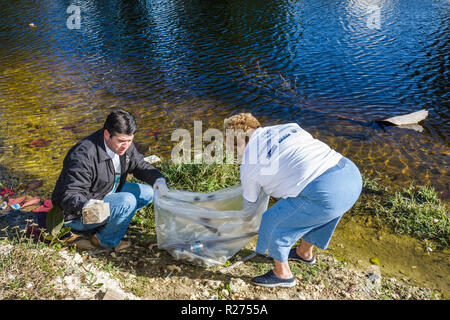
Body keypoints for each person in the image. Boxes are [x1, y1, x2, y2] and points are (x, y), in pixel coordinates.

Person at [224, 113, 362, 288]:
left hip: (327, 192)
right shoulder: (287, 127)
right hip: (350, 175)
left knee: (272, 220)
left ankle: (282, 274)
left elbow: (249, 205)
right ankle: (304, 253)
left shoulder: (248, 167)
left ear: (239, 142)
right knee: (313, 211)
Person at [52, 109, 168, 251]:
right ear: (107, 134)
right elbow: (69, 195)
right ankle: (104, 241)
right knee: (127, 202)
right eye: (121, 141)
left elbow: (139, 165)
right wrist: (86, 204)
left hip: (104, 193)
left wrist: (158, 180)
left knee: (148, 192)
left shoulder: (124, 146)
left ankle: (109, 223)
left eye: (129, 141)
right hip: (78, 214)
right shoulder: (83, 155)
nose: (126, 146)